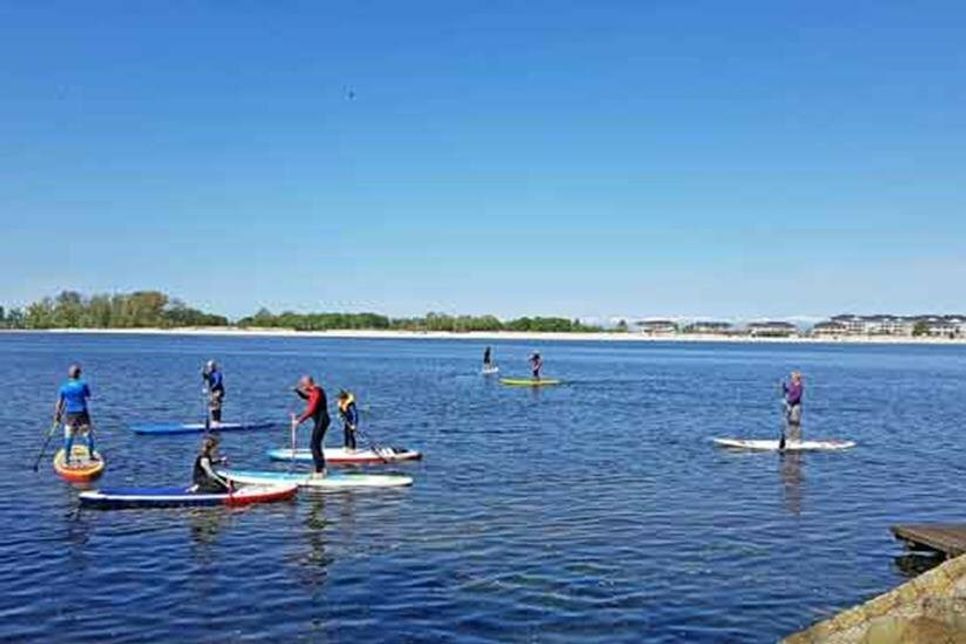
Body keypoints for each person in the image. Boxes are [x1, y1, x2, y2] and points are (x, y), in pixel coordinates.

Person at [55, 364, 96, 465]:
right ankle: (91, 456)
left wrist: (57, 415)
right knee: (87, 435)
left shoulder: (63, 387)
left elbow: (59, 403)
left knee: (69, 436)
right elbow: (88, 396)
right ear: (79, 374)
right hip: (83, 414)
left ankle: (67, 459)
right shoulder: (83, 385)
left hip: (70, 415)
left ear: (69, 375)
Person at [292, 376, 330, 478]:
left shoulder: (317, 392)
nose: (303, 387)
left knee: (314, 445)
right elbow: (307, 397)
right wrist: (298, 391)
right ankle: (322, 468)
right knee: (316, 445)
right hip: (320, 421)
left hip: (322, 421)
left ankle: (319, 471)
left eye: (303, 384)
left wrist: (299, 420)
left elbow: (311, 409)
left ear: (308, 383)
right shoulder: (314, 391)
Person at [782, 371, 804, 442]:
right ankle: (791, 438)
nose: (791, 378)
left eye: (792, 377)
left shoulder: (799, 386)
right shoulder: (792, 384)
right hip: (790, 405)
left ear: (796, 378)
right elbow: (788, 391)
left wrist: (789, 402)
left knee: (795, 422)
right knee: (790, 422)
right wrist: (784, 387)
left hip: (796, 406)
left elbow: (797, 396)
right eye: (791, 377)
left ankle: (797, 439)